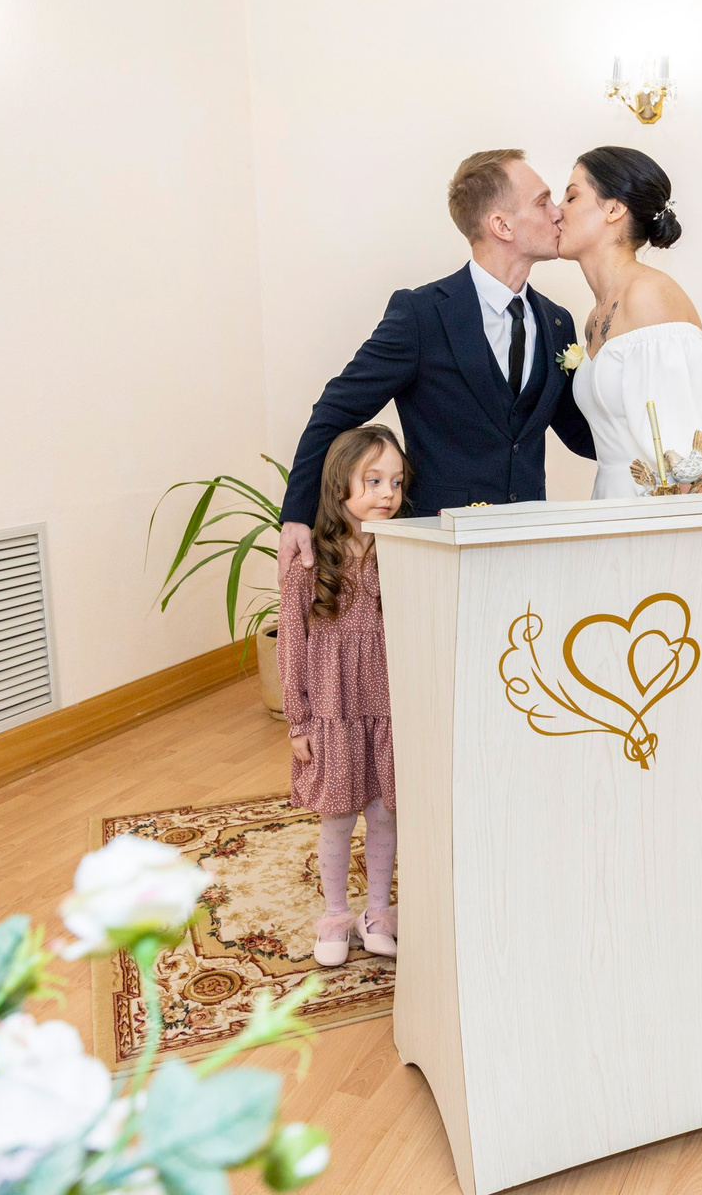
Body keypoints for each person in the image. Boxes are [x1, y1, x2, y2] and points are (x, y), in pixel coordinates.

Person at [557, 145, 702, 876]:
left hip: (659, 521)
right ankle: (634, 832)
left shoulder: (652, 297)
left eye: (571, 194)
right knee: (617, 683)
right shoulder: (594, 315)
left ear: (613, 210)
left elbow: (687, 450)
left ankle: (683, 843)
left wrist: (699, 553)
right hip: (609, 514)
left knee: (667, 675)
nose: (557, 209)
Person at [276, 149, 596, 578]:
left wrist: (654, 458)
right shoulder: (422, 316)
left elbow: (579, 432)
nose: (558, 213)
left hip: (527, 545)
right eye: (542, 201)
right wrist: (296, 515)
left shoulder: (557, 322)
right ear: (501, 225)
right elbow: (335, 410)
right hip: (439, 551)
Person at [279, 424, 408, 966]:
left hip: (387, 712)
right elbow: (292, 644)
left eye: (396, 482)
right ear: (339, 486)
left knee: (385, 815)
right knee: (337, 818)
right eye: (373, 480)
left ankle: (377, 913)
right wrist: (299, 720)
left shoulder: (402, 555)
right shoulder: (309, 564)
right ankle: (335, 915)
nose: (387, 494)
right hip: (333, 713)